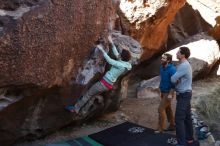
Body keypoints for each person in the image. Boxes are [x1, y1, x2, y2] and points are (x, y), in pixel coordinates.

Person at [65, 35, 132, 114]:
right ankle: (83, 111)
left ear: (122, 57)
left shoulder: (121, 65)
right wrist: (111, 42)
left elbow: (110, 60)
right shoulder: (125, 63)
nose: (119, 54)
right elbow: (117, 54)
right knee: (92, 97)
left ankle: (76, 109)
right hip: (107, 85)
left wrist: (101, 50)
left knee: (88, 95)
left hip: (103, 84)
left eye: (121, 54)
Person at [171, 47, 198, 146]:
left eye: (178, 52)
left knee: (179, 119)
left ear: (183, 55)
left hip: (184, 95)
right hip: (185, 94)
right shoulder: (184, 65)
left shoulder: (184, 66)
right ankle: (189, 138)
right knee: (187, 117)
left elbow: (173, 79)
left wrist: (176, 79)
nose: (176, 53)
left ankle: (181, 143)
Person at [155, 53, 176, 133]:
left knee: (160, 109)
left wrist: (171, 94)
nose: (161, 59)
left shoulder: (172, 69)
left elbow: (174, 83)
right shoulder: (161, 67)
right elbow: (163, 79)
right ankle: (172, 125)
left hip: (168, 93)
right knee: (168, 109)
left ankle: (161, 129)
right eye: (162, 58)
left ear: (168, 60)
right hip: (163, 91)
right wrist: (160, 87)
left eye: (164, 58)